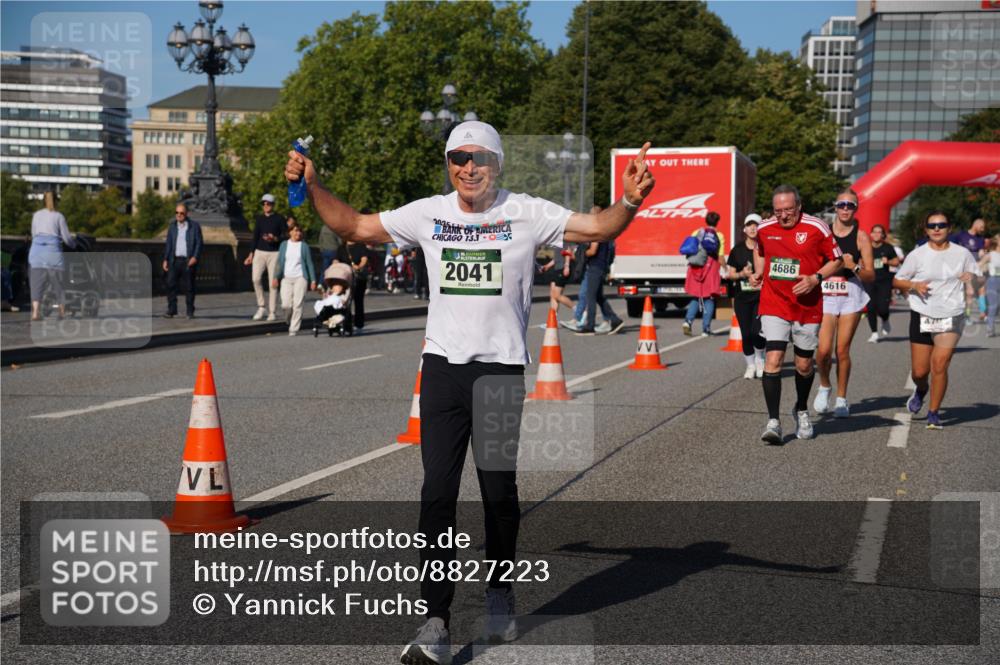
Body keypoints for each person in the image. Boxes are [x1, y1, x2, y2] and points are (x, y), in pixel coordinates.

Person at [285, 120, 654, 664]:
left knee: (498, 493)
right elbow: (358, 227)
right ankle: (435, 619)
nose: (468, 167)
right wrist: (313, 185)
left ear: (497, 164)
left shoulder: (526, 212)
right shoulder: (429, 213)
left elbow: (598, 227)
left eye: (479, 158)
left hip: (500, 370)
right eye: (458, 158)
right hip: (441, 370)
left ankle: (500, 590)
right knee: (436, 493)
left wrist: (629, 199)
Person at [748, 184, 843, 443]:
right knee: (774, 359)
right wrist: (759, 272)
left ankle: (801, 409)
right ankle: (773, 422)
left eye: (788, 210)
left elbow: (837, 259)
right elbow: (760, 251)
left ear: (799, 207)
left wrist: (815, 278)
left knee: (803, 365)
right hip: (775, 303)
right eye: (778, 211)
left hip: (807, 305)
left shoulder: (817, 227)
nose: (783, 216)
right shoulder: (766, 228)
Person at [894, 211, 983, 429]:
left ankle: (934, 413)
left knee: (940, 364)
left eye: (941, 225)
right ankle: (921, 389)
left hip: (952, 313)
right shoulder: (917, 255)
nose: (937, 229)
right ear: (926, 230)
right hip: (922, 313)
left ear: (949, 228)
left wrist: (973, 278)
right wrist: (915, 285)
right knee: (919, 372)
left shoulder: (962, 254)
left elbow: (980, 279)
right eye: (932, 226)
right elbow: (897, 281)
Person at [813, 189, 875, 418]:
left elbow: (870, 276)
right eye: (842, 205)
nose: (846, 209)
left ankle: (841, 398)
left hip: (851, 294)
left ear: (856, 208)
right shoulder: (824, 233)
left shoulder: (861, 237)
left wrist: (854, 267)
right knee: (823, 351)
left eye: (850, 205)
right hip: (827, 293)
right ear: (835, 207)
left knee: (842, 350)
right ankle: (824, 385)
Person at [726, 213, 766, 379]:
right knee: (746, 333)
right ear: (744, 229)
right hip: (742, 298)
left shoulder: (765, 249)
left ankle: (760, 360)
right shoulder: (737, 250)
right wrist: (742, 273)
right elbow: (730, 275)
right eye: (749, 225)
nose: (752, 228)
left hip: (761, 297)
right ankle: (750, 365)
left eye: (755, 225)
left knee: (758, 332)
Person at [28, 191, 76, 321]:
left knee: (36, 285)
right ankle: (61, 312)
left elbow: (34, 234)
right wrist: (73, 245)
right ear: (57, 201)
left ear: (44, 201)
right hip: (53, 254)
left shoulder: (36, 215)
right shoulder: (59, 216)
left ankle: (35, 313)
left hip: (36, 253)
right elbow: (66, 238)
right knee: (59, 284)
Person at [244, 193, 287, 321]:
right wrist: (251, 254)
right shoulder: (259, 219)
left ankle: (272, 311)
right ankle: (261, 306)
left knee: (272, 283)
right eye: (264, 204)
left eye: (268, 203)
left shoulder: (279, 219)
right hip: (259, 252)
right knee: (255, 279)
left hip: (274, 253)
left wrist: (274, 238)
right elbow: (255, 237)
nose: (265, 206)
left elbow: (285, 235)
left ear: (272, 205)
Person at [682, 211, 724, 337]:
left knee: (696, 296)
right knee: (709, 299)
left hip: (696, 267)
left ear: (706, 220)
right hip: (710, 268)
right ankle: (706, 329)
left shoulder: (697, 232)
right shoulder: (719, 235)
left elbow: (691, 249)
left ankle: (688, 321)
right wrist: (726, 268)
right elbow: (720, 256)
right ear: (717, 222)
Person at [271, 223, 317, 336]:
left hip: (300, 278)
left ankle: (294, 328)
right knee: (286, 304)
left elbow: (309, 263)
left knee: (298, 304)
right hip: (286, 278)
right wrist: (275, 277)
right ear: (290, 232)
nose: (298, 233)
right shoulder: (284, 245)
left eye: (300, 231)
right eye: (296, 231)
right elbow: (279, 263)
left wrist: (313, 280)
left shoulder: (304, 246)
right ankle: (289, 319)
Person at [576, 236, 625, 336]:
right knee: (598, 297)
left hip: (595, 267)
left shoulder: (597, 235)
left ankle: (590, 326)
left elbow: (593, 251)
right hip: (600, 267)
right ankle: (615, 320)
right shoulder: (604, 235)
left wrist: (580, 254)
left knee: (590, 297)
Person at [162, 203, 203, 319]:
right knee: (170, 285)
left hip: (188, 261)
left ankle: (190, 311)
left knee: (189, 287)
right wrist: (165, 259)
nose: (179, 215)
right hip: (174, 261)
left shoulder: (194, 226)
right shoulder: (172, 226)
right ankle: (172, 310)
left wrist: (195, 257)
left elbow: (199, 243)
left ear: (186, 214)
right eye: (177, 213)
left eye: (181, 213)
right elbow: (169, 244)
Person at [864, 224, 901, 342]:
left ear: (883, 235)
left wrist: (888, 261)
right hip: (869, 280)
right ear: (870, 234)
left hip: (884, 281)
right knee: (870, 307)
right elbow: (859, 260)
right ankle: (874, 333)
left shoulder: (888, 248)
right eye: (874, 232)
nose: (876, 234)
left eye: (879, 232)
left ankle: (885, 319)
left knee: (883, 308)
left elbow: (896, 262)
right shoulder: (866, 247)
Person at [952, 217, 988, 323]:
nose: (982, 230)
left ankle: (983, 313)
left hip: (977, 267)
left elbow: (981, 253)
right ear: (976, 225)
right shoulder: (961, 235)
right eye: (981, 227)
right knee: (970, 292)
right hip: (965, 268)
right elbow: (950, 246)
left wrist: (984, 255)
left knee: (982, 290)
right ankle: (966, 316)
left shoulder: (980, 239)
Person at [343, 239, 371, 330]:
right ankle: (347, 323)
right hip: (345, 277)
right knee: (346, 301)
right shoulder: (342, 247)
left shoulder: (360, 246)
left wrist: (359, 266)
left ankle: (359, 324)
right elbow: (336, 259)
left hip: (359, 277)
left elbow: (364, 259)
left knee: (358, 300)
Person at [540, 246, 576, 314]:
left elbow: (568, 251)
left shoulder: (564, 239)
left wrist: (567, 266)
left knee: (557, 295)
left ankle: (578, 310)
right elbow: (557, 258)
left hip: (562, 268)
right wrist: (547, 266)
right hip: (557, 269)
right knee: (553, 295)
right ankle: (553, 320)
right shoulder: (557, 242)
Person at [980, 234, 1000, 337]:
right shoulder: (991, 255)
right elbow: (979, 265)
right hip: (993, 281)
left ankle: (988, 314)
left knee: (997, 307)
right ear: (997, 242)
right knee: (994, 305)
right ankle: (990, 328)